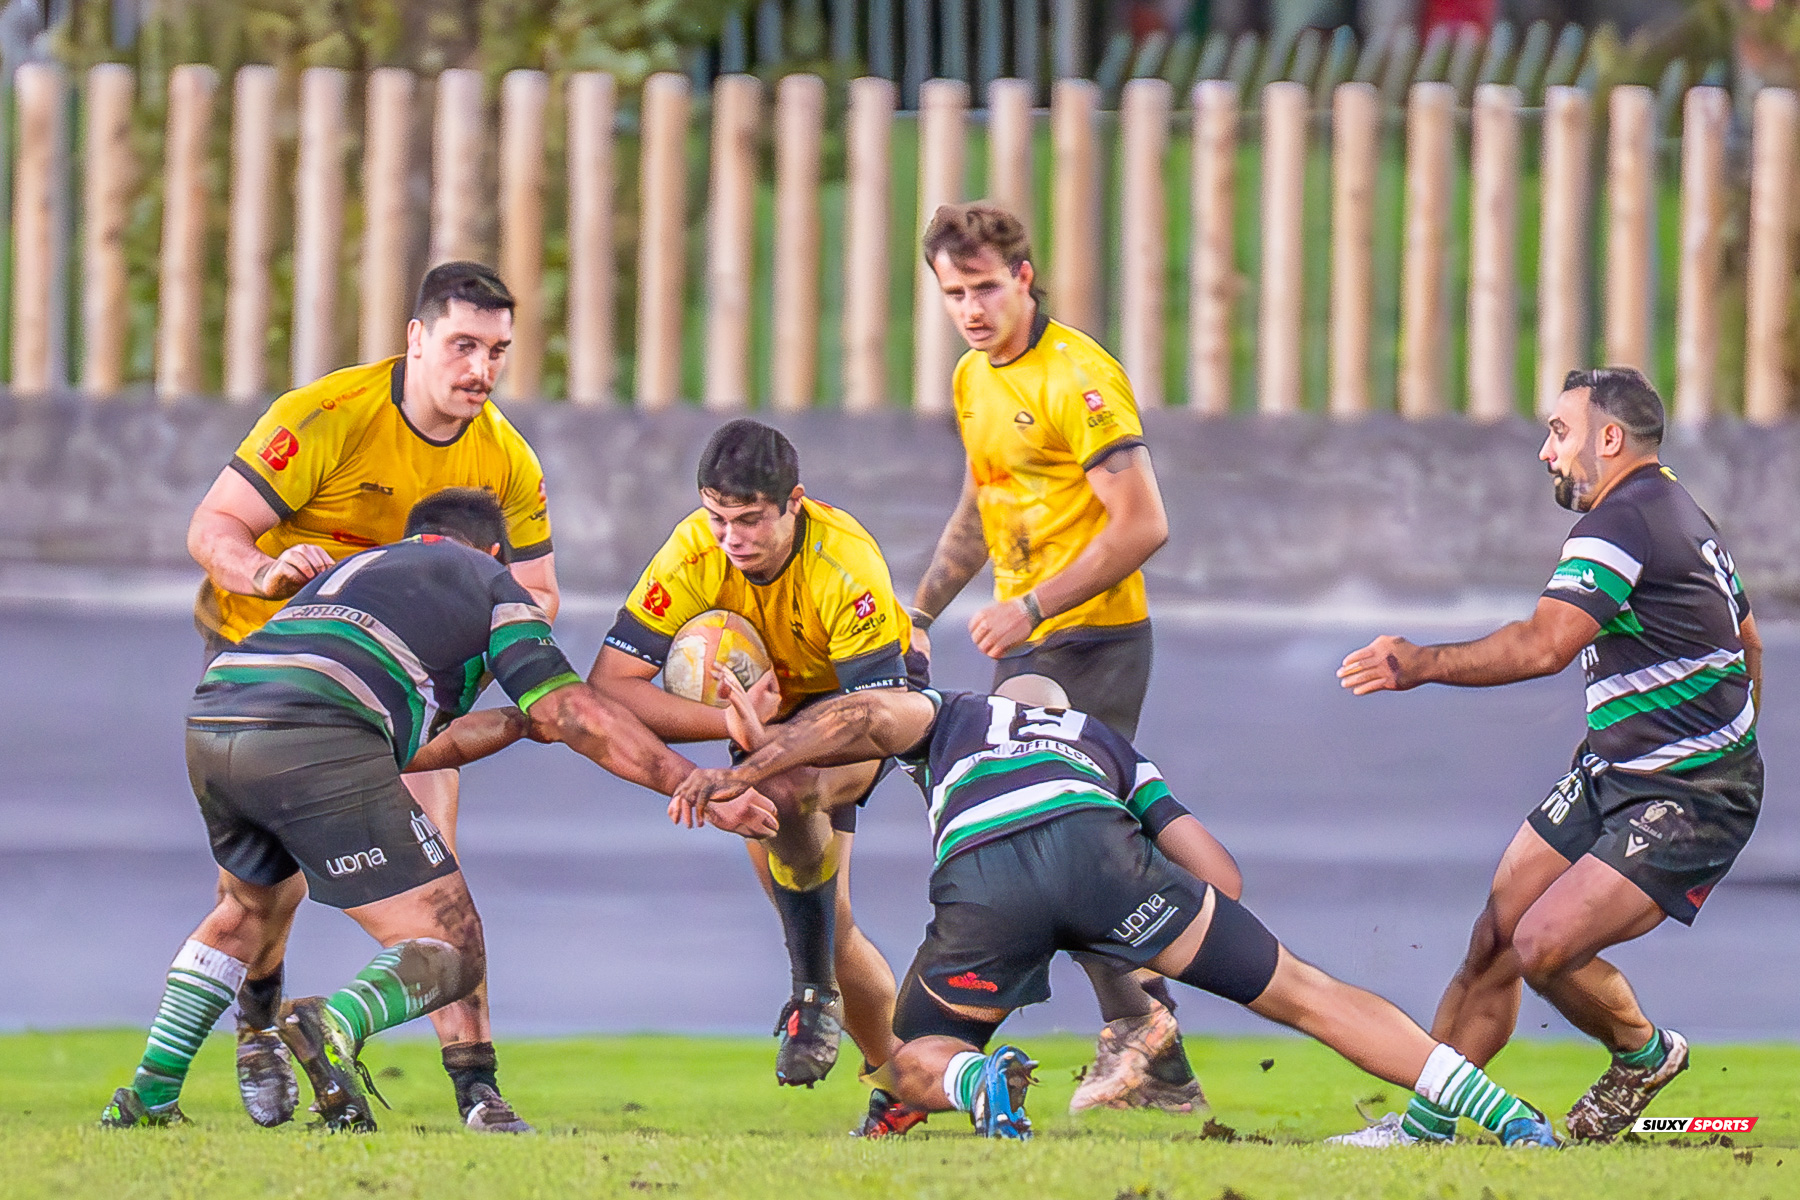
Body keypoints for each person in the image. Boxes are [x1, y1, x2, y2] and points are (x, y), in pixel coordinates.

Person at [100, 490, 770, 1131]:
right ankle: (334, 1024)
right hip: (317, 726)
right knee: (453, 944)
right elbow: (571, 709)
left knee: (246, 913)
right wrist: (695, 783)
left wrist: (516, 723)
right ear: (494, 552)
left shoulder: (354, 576)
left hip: (218, 716)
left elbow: (409, 747)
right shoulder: (488, 581)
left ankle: (148, 1094)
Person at [668, 668, 1561, 1147]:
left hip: (988, 874)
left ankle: (976, 1083)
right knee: (1305, 992)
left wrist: (757, 756)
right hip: (1107, 856)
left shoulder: (953, 712)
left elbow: (858, 719)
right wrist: (1162, 923)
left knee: (914, 1061)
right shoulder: (1105, 743)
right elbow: (1222, 876)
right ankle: (1503, 1112)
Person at [1332, 368, 1762, 1146]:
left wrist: (1418, 663)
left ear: (1610, 438)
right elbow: (1749, 640)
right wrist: (1721, 727)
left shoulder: (1622, 521)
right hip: (1614, 772)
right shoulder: (1680, 513)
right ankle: (1424, 1129)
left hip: (1690, 793)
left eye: (1560, 432)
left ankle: (1643, 1054)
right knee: (1497, 939)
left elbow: (1543, 646)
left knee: (1544, 947)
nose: (1546, 451)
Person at [184, 262, 556, 1131]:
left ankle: (476, 1085)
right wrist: (267, 571)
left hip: (395, 689)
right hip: (271, 673)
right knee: (263, 895)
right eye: (463, 345)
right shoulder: (330, 415)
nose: (481, 370)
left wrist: (473, 661)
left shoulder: (506, 457)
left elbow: (537, 592)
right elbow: (213, 526)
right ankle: (259, 1023)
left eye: (497, 351)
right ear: (415, 339)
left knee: (439, 876)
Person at [908, 201, 1196, 1113]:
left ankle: (1139, 1028)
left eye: (985, 288)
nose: (971, 309)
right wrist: (920, 610)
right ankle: (1160, 1065)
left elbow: (1143, 523)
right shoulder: (973, 378)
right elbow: (980, 509)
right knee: (1060, 839)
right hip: (1032, 641)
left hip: (1092, 638)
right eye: (954, 293)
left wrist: (1032, 604)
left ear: (1024, 277)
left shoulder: (1081, 376)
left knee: (1042, 835)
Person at [589, 418, 918, 1130]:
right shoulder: (691, 552)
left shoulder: (844, 561)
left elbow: (877, 717)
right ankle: (907, 1085)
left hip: (863, 710)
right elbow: (610, 684)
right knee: (829, 922)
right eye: (717, 518)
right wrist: (731, 728)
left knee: (786, 794)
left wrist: (767, 748)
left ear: (794, 502)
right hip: (763, 720)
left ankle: (811, 997)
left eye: (750, 520)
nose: (731, 538)